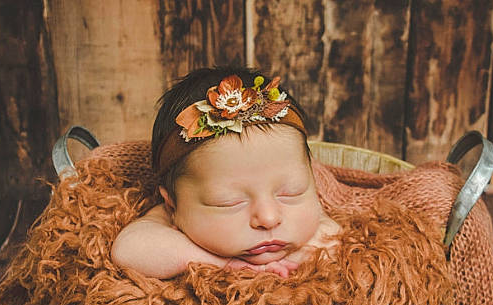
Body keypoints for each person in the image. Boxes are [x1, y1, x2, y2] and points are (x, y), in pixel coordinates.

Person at [111, 67, 340, 279]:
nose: (268, 218)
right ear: (172, 205)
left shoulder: (308, 216)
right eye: (229, 202)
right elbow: (129, 251)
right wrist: (225, 264)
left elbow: (332, 235)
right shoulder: (164, 217)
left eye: (291, 192)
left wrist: (300, 255)